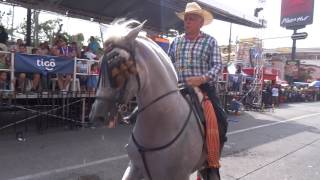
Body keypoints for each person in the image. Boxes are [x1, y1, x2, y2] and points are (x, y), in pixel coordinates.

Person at [168, 2, 228, 179]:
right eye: (186, 19)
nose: (187, 22)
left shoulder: (210, 41)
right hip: (176, 87)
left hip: (203, 88)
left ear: (201, 22)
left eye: (191, 19)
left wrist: (201, 79)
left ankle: (211, 164)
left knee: (221, 121)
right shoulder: (176, 41)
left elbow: (218, 65)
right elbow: (168, 64)